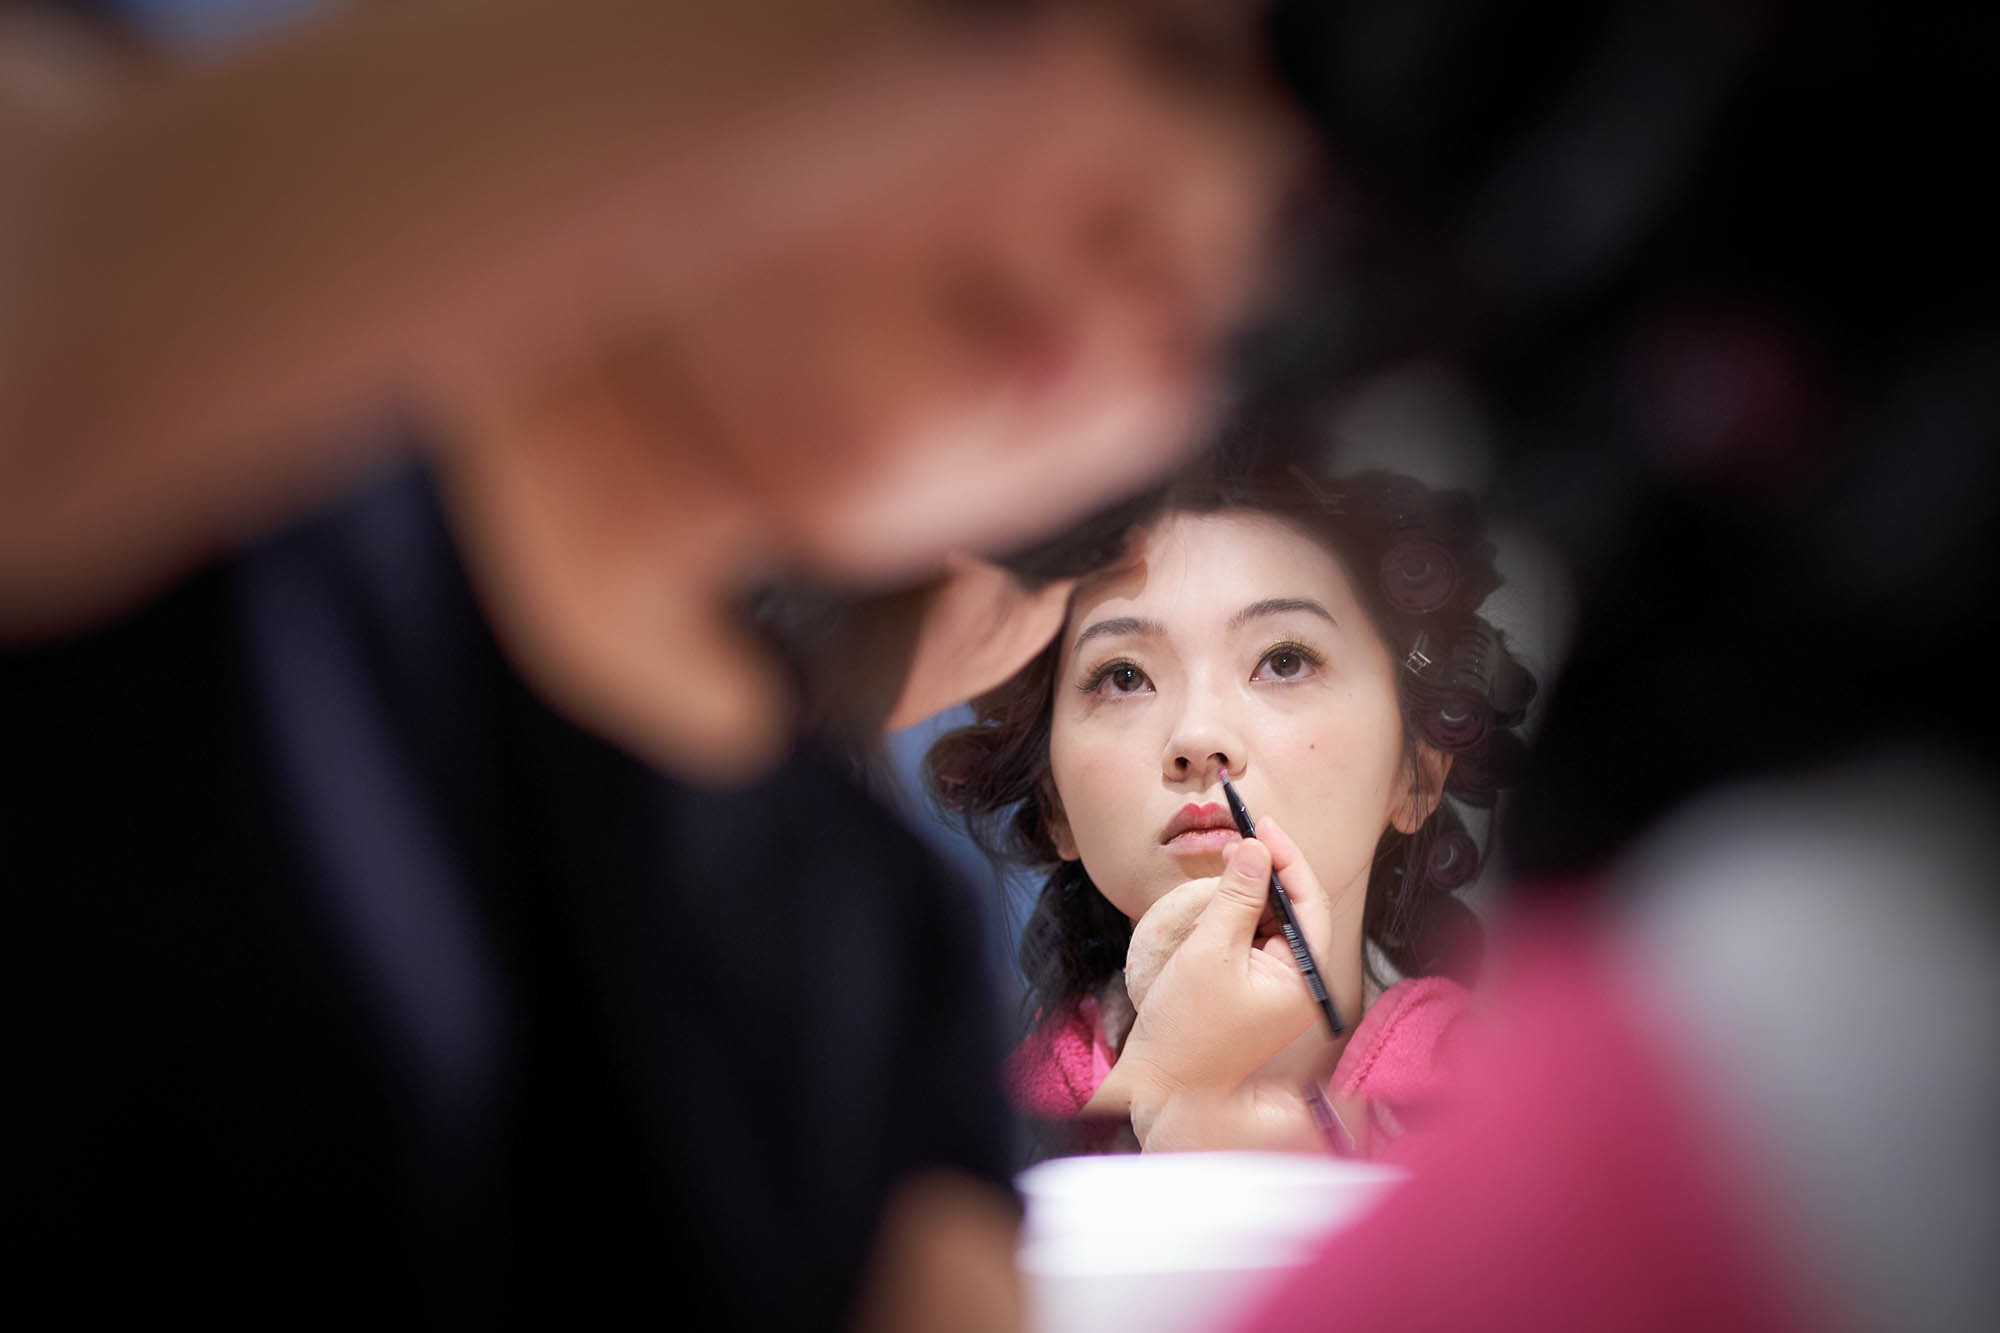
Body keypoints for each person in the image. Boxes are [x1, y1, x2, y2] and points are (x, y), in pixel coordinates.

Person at [0, 1, 1312, 1325]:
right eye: (1173, 62)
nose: (1183, 247)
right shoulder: (153, 351)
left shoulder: (879, 954)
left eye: (1255, 297)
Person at [927, 439, 1536, 1160]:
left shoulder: (1540, 1134)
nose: (1198, 735)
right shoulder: (960, 1154)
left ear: (1419, 773)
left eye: (1284, 660)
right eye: (1123, 676)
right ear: (1054, 801)